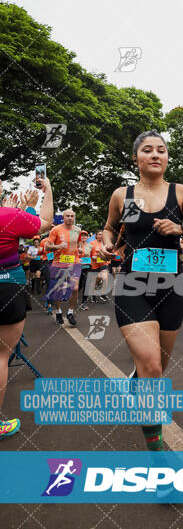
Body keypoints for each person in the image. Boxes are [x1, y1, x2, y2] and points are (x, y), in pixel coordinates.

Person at [100, 130, 183, 451]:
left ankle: (137, 385)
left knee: (157, 368)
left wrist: (181, 228)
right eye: (147, 150)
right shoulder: (123, 195)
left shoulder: (180, 193)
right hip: (133, 285)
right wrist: (107, 243)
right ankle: (158, 456)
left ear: (166, 157)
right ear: (136, 158)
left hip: (172, 286)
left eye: (161, 150)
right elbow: (110, 228)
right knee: (151, 365)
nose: (155, 155)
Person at [0, 178, 53, 440]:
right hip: (7, 284)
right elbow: (41, 227)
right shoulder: (8, 215)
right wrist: (44, 195)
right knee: (0, 356)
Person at [45, 209, 83, 327]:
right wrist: (58, 246)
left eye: (72, 216)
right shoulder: (56, 229)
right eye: (68, 216)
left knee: (75, 288)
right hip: (58, 263)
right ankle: (59, 311)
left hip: (74, 262)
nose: (70, 218)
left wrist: (80, 250)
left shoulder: (78, 230)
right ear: (63, 217)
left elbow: (80, 245)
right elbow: (47, 247)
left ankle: (70, 312)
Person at [89, 231, 110, 303]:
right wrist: (94, 256)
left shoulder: (105, 244)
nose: (101, 236)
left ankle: (103, 293)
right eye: (99, 234)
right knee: (95, 280)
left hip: (103, 263)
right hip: (95, 264)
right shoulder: (92, 243)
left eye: (102, 234)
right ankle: (93, 295)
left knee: (105, 277)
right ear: (96, 236)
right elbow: (91, 255)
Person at [78, 230, 92, 311]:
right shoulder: (76, 246)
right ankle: (74, 297)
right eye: (82, 235)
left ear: (87, 237)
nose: (83, 237)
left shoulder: (90, 246)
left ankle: (84, 302)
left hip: (87, 267)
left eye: (85, 236)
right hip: (77, 267)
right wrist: (78, 253)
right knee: (78, 285)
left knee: (87, 284)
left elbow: (93, 255)